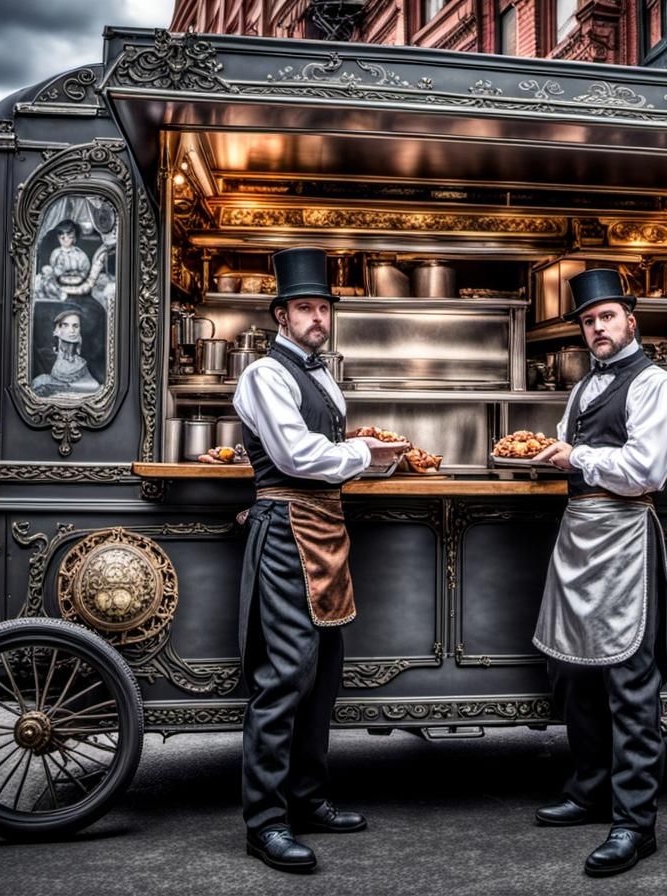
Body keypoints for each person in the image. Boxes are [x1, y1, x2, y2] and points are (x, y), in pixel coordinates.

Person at [232, 247, 409, 874]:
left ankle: (306, 800)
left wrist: (359, 450)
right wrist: (364, 454)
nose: (317, 318)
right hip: (286, 529)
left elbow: (324, 449)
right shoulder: (265, 375)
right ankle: (265, 822)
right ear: (281, 315)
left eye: (323, 308)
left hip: (325, 527)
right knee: (283, 678)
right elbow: (296, 456)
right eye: (305, 308)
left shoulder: (321, 377)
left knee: (322, 676)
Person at [531, 268, 667, 878]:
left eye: (606, 317)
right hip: (579, 533)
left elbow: (646, 470)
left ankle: (635, 824)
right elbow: (577, 451)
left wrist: (577, 456)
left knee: (629, 681)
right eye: (588, 321)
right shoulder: (582, 389)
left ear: (631, 320)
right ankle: (590, 790)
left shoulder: (656, 385)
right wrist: (558, 453)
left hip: (623, 535)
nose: (597, 328)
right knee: (575, 673)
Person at [32, 307, 99, 396]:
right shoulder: (45, 356)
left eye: (75, 326)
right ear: (57, 330)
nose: (72, 331)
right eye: (65, 325)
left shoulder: (81, 363)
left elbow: (94, 387)